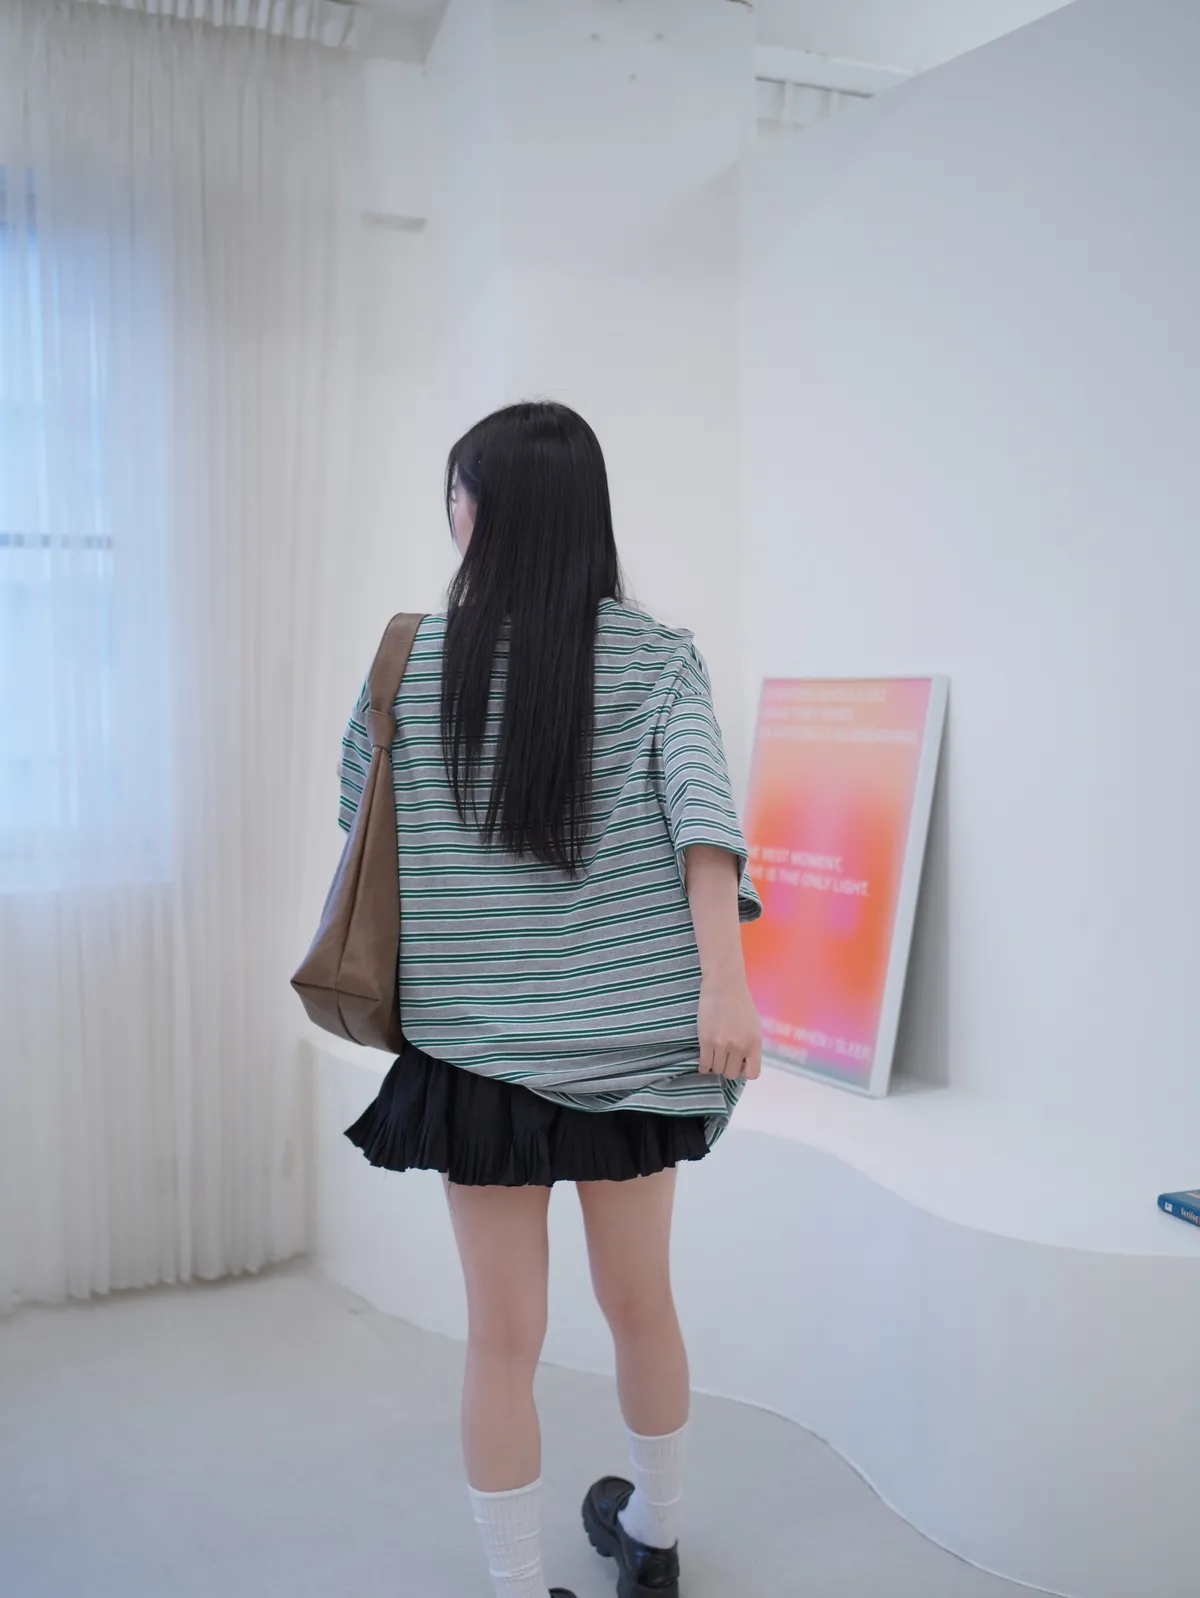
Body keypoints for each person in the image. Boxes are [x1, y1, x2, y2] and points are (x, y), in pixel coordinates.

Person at [336, 401, 762, 1598]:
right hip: (633, 1045)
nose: (451, 515)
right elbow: (705, 826)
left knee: (501, 1336)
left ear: (486, 511)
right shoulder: (658, 656)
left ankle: (519, 1583)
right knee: (642, 1303)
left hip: (477, 1051)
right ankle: (657, 1543)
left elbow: (358, 827)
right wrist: (725, 989)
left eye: (456, 494)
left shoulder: (410, 659)